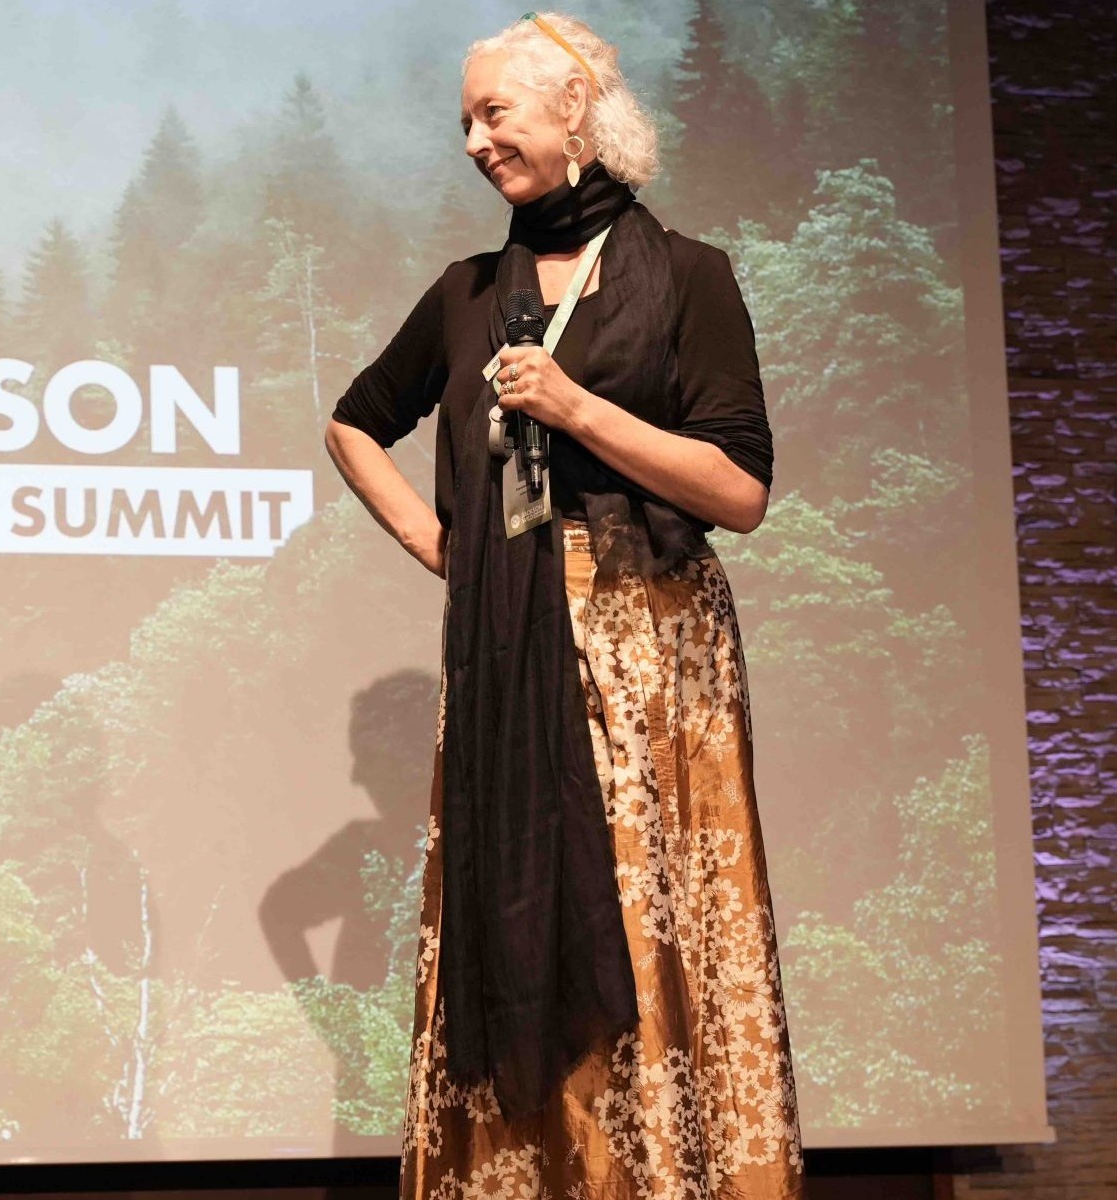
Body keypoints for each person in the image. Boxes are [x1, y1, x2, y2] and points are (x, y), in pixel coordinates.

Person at [325, 12, 802, 1199]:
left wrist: (576, 408)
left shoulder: (688, 275)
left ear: (574, 111)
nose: (475, 141)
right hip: (510, 645)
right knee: (523, 922)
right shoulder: (466, 292)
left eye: (495, 113)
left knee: (644, 928)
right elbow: (353, 421)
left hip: (653, 650)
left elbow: (739, 492)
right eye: (466, 123)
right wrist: (444, 546)